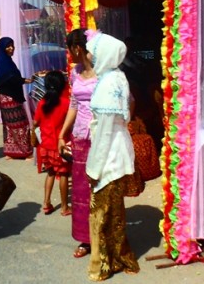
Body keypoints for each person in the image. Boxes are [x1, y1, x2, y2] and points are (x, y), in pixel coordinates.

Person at [85, 30, 140, 281]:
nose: (88, 56)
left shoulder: (108, 84)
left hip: (109, 155)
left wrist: (93, 168)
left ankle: (104, 264)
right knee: (115, 212)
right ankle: (121, 257)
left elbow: (105, 132)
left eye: (91, 52)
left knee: (101, 212)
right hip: (118, 150)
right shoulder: (117, 76)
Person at [58, 28, 96, 259]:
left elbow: (126, 102)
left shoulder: (106, 73)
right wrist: (63, 133)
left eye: (69, 49)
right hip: (80, 139)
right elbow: (74, 103)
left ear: (77, 48)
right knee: (81, 191)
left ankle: (107, 235)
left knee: (101, 189)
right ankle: (86, 239)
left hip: (102, 139)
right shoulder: (75, 72)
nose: (69, 54)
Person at [33, 71, 72, 216]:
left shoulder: (42, 102)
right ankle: (64, 207)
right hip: (60, 145)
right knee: (63, 174)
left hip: (46, 145)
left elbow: (36, 122)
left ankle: (46, 203)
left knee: (50, 173)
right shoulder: (66, 103)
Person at [0, 37, 33, 160]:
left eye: (12, 45)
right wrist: (27, 80)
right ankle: (25, 152)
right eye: (8, 46)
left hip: (3, 96)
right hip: (9, 97)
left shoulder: (4, 61)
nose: (11, 48)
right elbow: (11, 78)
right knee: (21, 124)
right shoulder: (5, 63)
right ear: (2, 48)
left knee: (9, 125)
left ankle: (11, 152)